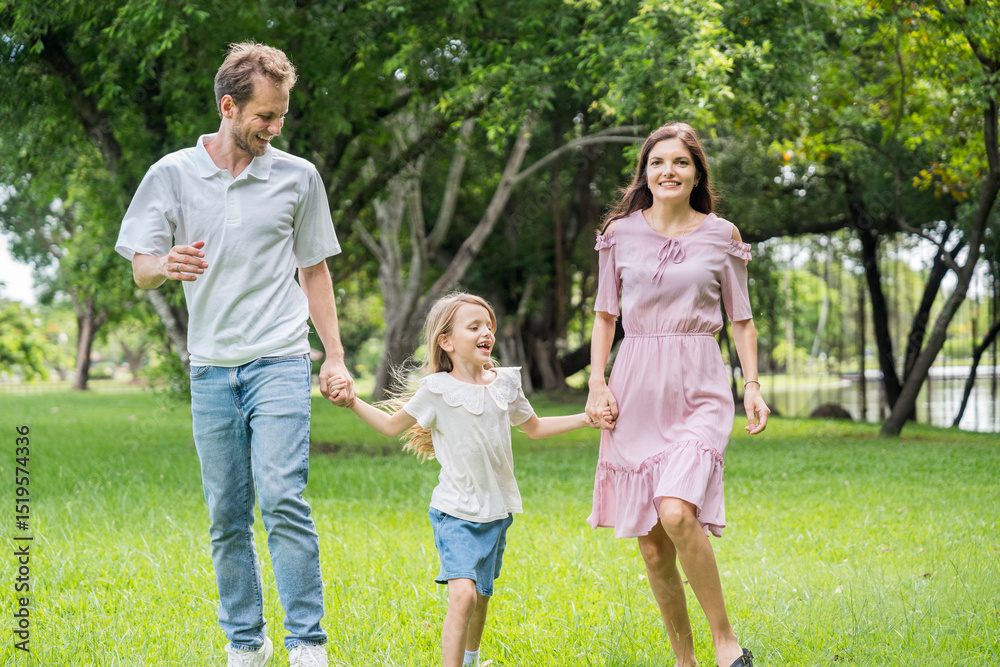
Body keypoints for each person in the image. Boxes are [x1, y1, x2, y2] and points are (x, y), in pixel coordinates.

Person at [115, 42, 355, 667]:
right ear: (228, 106)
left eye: (281, 116)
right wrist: (165, 263)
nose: (275, 128)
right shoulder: (171, 174)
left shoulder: (298, 177)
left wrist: (333, 356)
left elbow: (315, 270)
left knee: (282, 498)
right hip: (211, 367)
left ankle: (307, 642)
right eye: (265, 117)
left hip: (279, 357)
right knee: (226, 513)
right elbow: (141, 267)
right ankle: (246, 642)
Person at [326, 293, 599, 667]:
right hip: (454, 512)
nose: (487, 332)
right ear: (447, 341)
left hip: (497, 512)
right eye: (474, 327)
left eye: (489, 326)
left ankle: (471, 660)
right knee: (463, 597)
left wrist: (586, 418)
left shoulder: (505, 383)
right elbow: (390, 427)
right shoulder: (436, 390)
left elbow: (534, 428)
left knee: (481, 596)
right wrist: (352, 402)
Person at [584, 122, 770, 667]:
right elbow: (604, 315)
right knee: (651, 543)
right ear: (645, 172)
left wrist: (752, 385)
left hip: (700, 387)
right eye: (658, 162)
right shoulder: (618, 234)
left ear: (696, 174)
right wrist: (597, 382)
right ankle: (684, 660)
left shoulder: (721, 235)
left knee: (676, 511)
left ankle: (725, 642)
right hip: (635, 388)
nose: (668, 171)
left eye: (681, 162)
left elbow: (741, 320)